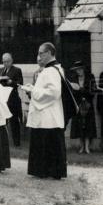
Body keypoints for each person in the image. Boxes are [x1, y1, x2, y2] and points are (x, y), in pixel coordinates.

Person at [22, 42, 67, 180]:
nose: (39, 56)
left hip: (48, 115)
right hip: (47, 114)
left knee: (46, 143)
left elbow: (54, 92)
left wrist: (33, 90)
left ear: (49, 53)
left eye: (41, 53)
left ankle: (46, 171)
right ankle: (47, 171)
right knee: (47, 143)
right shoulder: (52, 69)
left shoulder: (51, 70)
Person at [66, 61, 97, 154]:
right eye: (76, 70)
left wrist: (84, 92)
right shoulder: (73, 78)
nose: (78, 71)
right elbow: (71, 91)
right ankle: (81, 147)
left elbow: (93, 90)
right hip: (78, 104)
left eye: (80, 69)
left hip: (88, 103)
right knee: (79, 126)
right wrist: (79, 94)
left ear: (83, 69)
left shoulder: (90, 77)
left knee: (88, 125)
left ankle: (87, 147)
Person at [0, 53, 24, 147]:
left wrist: (12, 82)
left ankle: (16, 143)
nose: (5, 63)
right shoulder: (1, 70)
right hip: (3, 99)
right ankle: (3, 142)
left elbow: (20, 83)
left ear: (11, 61)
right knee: (3, 121)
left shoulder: (17, 70)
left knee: (14, 121)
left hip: (13, 99)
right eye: (3, 62)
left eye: (7, 61)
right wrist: (0, 80)